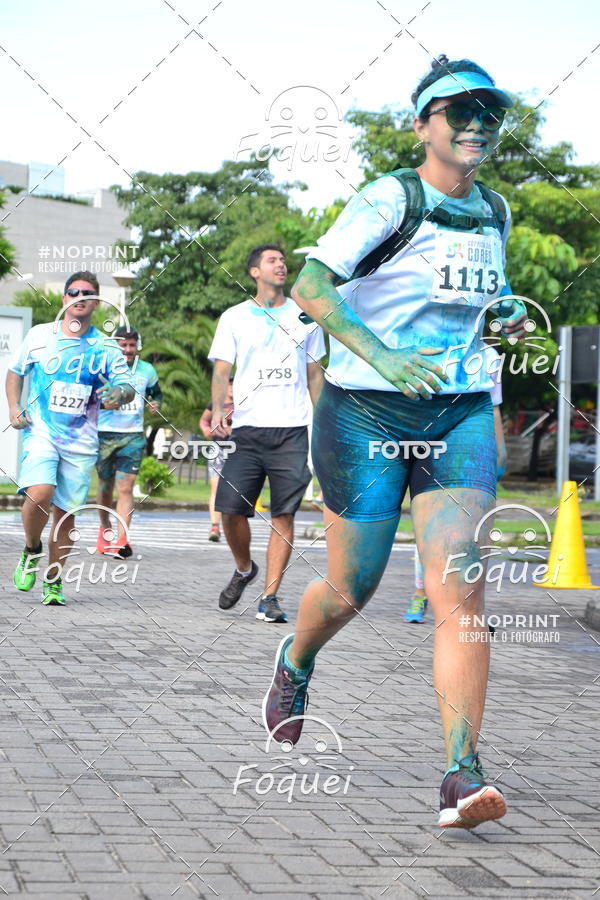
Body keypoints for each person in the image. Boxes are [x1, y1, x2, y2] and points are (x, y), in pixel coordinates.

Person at [263, 57, 528, 828]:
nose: (475, 123)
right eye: (458, 110)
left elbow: (474, 300)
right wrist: (381, 357)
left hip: (459, 415)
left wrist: (503, 313)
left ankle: (461, 771)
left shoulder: (495, 211)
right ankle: (296, 661)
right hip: (366, 415)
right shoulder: (391, 197)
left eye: (488, 111)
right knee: (354, 588)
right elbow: (312, 285)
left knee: (461, 594)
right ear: (424, 123)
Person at [209, 244, 326, 623]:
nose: (281, 265)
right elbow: (222, 371)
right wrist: (217, 411)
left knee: (284, 512)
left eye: (282, 261)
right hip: (247, 427)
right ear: (254, 272)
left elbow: (314, 374)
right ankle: (245, 569)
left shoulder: (305, 316)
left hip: (293, 429)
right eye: (272, 261)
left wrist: (320, 421)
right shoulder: (234, 317)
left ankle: (269, 597)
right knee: (229, 508)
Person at [6, 271, 135, 605]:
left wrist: (117, 395)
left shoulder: (105, 346)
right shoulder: (40, 336)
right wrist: (14, 407)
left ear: (95, 301)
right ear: (65, 299)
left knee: (66, 514)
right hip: (42, 432)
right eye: (74, 291)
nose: (80, 296)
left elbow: (127, 385)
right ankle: (32, 548)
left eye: (88, 292)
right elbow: (15, 372)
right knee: (39, 494)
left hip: (81, 442)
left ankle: (53, 580)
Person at [405, 346, 507, 623]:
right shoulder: (433, 344)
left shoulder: (490, 357)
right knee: (430, 528)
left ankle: (471, 607)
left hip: (471, 448)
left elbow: (493, 406)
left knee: (474, 534)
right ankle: (419, 594)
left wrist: (500, 451)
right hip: (430, 445)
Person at [96, 326, 162, 558]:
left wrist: (156, 404)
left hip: (133, 436)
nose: (127, 350)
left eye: (131, 345)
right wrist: (104, 404)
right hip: (104, 434)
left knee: (125, 488)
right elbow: (91, 397)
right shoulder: (103, 367)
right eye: (123, 345)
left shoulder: (147, 370)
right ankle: (104, 528)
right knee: (105, 487)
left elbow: (157, 393)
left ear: (137, 346)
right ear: (116, 346)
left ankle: (122, 539)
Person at [199, 377, 234, 542]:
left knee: (235, 491)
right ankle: (214, 527)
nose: (233, 388)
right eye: (230, 385)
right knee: (215, 488)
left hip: (238, 451)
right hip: (217, 449)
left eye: (236, 385)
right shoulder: (215, 404)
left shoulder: (244, 405)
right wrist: (206, 430)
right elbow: (204, 420)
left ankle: (233, 527)